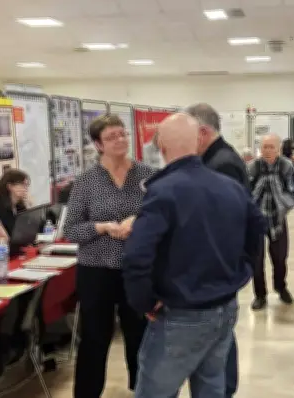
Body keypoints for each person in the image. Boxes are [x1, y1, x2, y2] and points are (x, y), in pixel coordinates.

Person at [123, 113, 266, 398]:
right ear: (198, 141)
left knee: (154, 391)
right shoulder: (230, 186)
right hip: (224, 308)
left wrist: (145, 302)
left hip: (181, 313)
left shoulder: (163, 192)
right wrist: (242, 273)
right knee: (212, 387)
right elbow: (258, 228)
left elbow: (136, 257)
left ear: (161, 147)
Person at [63, 114, 157, 398]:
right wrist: (101, 227)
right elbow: (70, 229)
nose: (120, 140)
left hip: (136, 268)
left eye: (122, 134)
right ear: (98, 145)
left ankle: (142, 391)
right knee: (94, 338)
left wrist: (137, 221)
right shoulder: (86, 181)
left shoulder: (147, 175)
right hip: (96, 270)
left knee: (139, 335)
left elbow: (161, 215)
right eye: (111, 137)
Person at [185, 103, 250, 398]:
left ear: (202, 132)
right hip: (221, 263)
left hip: (219, 264)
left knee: (220, 331)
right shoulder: (215, 158)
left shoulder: (221, 163)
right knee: (220, 330)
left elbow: (223, 221)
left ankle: (223, 388)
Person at [248, 133, 294, 310]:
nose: (267, 150)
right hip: (256, 220)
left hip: (277, 218)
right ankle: (260, 295)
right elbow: (244, 192)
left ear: (278, 149)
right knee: (256, 259)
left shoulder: (287, 166)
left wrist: (281, 205)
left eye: (271, 147)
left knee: (280, 258)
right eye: (264, 147)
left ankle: (281, 287)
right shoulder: (252, 167)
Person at [0, 169, 31, 237]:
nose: (26, 188)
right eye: (22, 184)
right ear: (10, 186)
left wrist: (29, 206)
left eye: (27, 185)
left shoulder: (19, 205)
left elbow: (29, 227)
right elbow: (11, 232)